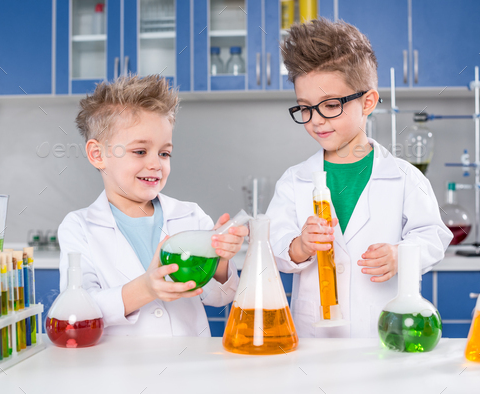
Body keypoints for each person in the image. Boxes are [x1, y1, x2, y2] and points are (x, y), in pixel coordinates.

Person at [266, 18, 452, 338]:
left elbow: (433, 235)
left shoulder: (404, 177)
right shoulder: (294, 181)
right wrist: (300, 246)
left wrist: (400, 256)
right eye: (305, 108)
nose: (316, 121)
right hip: (314, 337)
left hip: (383, 331)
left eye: (330, 105)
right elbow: (273, 248)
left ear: (367, 102)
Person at [58, 75, 247, 336]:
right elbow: (80, 307)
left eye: (164, 153)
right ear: (98, 154)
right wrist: (145, 289)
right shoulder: (79, 227)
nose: (156, 164)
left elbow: (220, 297)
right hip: (120, 370)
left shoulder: (191, 216)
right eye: (140, 151)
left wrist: (221, 261)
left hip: (188, 368)